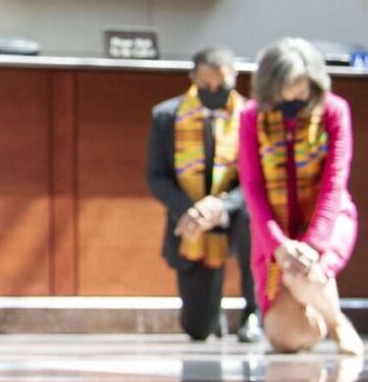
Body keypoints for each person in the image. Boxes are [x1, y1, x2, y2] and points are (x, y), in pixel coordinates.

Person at [238, 37, 361, 355]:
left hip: (327, 221)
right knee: (286, 338)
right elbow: (252, 188)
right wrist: (277, 246)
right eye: (286, 91)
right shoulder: (252, 117)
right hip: (275, 229)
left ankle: (335, 323)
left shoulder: (334, 111)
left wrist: (313, 246)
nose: (294, 98)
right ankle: (314, 310)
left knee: (304, 272)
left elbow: (334, 183)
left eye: (301, 90)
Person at [145, 45, 261, 342]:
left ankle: (253, 312)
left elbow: (258, 179)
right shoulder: (166, 116)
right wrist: (191, 209)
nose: (213, 91)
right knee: (198, 329)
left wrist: (222, 206)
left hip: (235, 213)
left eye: (221, 86)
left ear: (234, 78)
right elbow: (156, 176)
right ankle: (210, 314)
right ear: (193, 78)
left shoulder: (253, 116)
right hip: (191, 217)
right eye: (206, 85)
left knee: (255, 219)